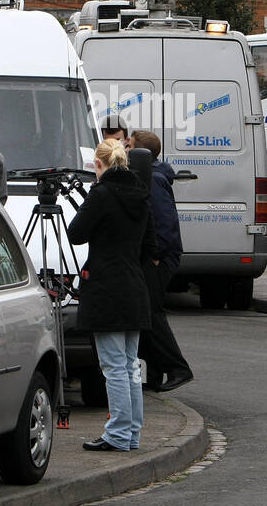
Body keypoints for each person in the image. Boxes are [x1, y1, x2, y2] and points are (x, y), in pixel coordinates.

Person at [68, 139, 153, 452]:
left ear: (99, 165)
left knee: (114, 367)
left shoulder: (102, 195)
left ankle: (117, 433)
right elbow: (149, 245)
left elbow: (76, 233)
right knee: (130, 366)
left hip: (107, 289)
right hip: (133, 285)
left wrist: (89, 202)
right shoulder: (141, 195)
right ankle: (131, 433)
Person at [130, 130, 193, 392]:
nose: (125, 148)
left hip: (160, 257)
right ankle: (154, 372)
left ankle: (178, 368)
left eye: (130, 146)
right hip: (157, 255)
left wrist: (156, 256)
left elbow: (164, 222)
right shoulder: (153, 175)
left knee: (152, 315)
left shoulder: (154, 179)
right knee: (146, 314)